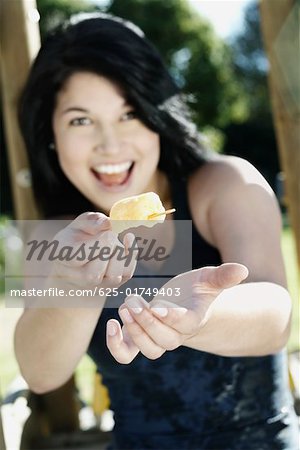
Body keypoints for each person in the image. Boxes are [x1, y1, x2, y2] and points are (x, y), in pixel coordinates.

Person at [14, 12, 298, 450]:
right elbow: (40, 370)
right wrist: (75, 286)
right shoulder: (55, 235)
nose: (110, 145)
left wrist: (195, 320)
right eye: (80, 120)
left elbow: (276, 314)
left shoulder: (221, 185)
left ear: (156, 113)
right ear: (49, 132)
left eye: (129, 113)